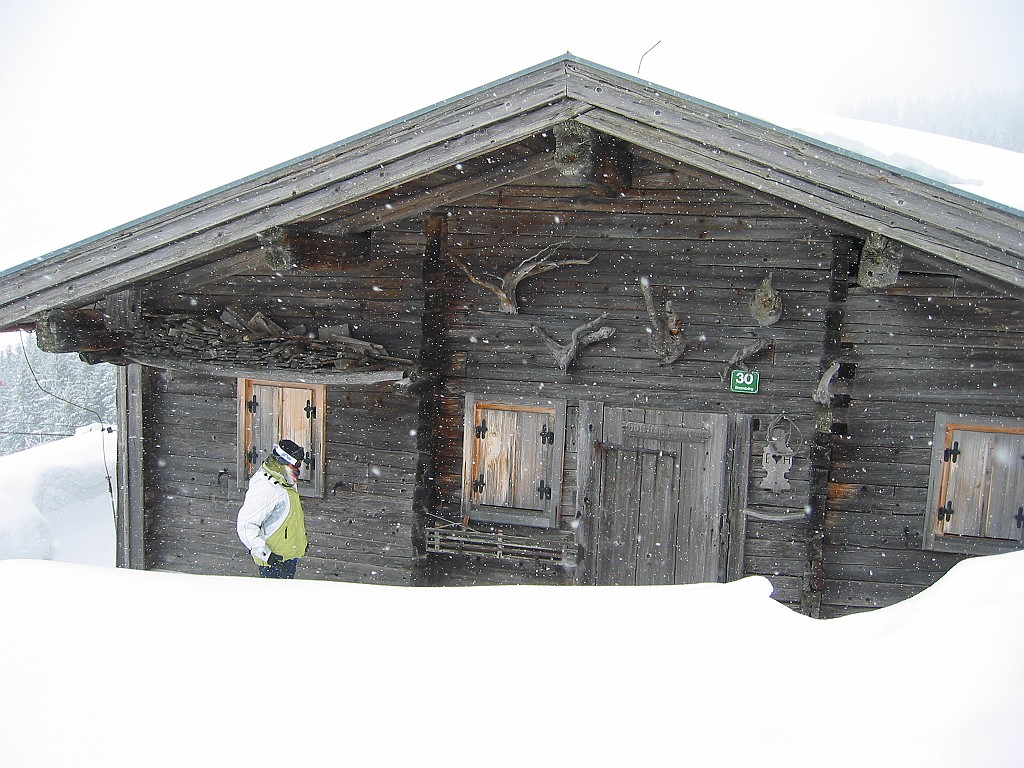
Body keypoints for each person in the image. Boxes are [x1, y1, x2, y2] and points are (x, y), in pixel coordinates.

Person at [236, 439, 308, 578]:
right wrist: (265, 554)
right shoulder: (266, 487)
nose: (298, 468)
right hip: (273, 562)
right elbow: (246, 524)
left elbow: (287, 519)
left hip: (287, 557)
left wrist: (299, 540)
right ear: (284, 461)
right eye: (297, 464)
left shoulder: (285, 481)